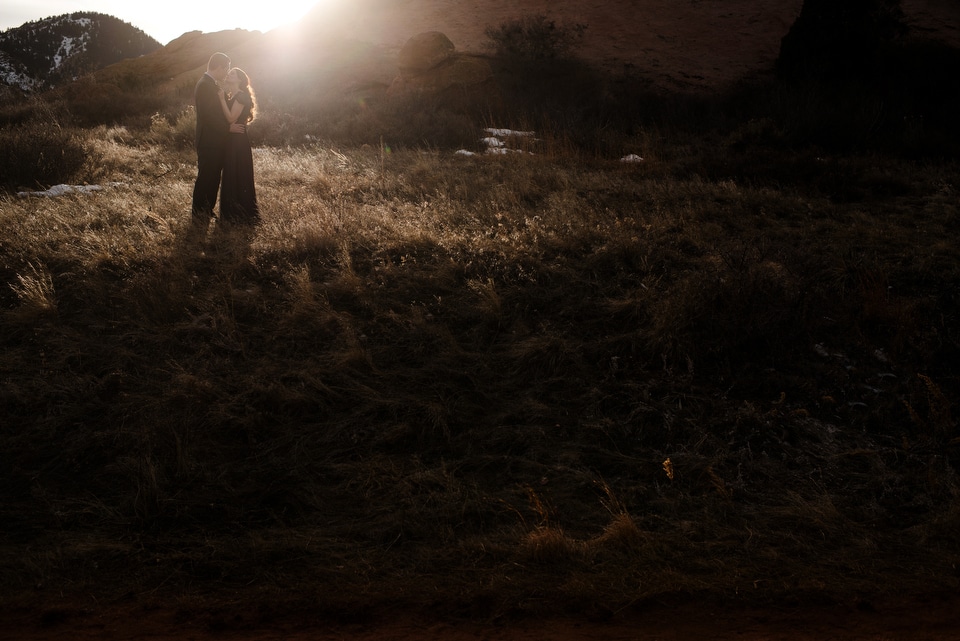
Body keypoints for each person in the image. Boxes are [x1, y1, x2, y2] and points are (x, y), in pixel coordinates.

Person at [191, 52, 232, 235]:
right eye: (227, 69)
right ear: (219, 67)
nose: (227, 73)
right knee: (206, 179)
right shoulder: (205, 85)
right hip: (209, 141)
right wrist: (228, 129)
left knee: (213, 178)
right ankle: (198, 215)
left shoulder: (209, 84)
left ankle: (205, 212)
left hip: (213, 141)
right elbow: (208, 116)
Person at [217, 67, 260, 226]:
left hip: (238, 141)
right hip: (231, 139)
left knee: (238, 173)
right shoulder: (232, 95)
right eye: (229, 72)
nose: (229, 74)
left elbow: (230, 119)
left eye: (233, 74)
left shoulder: (241, 96)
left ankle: (241, 216)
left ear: (240, 80)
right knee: (231, 174)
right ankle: (231, 216)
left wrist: (221, 99)